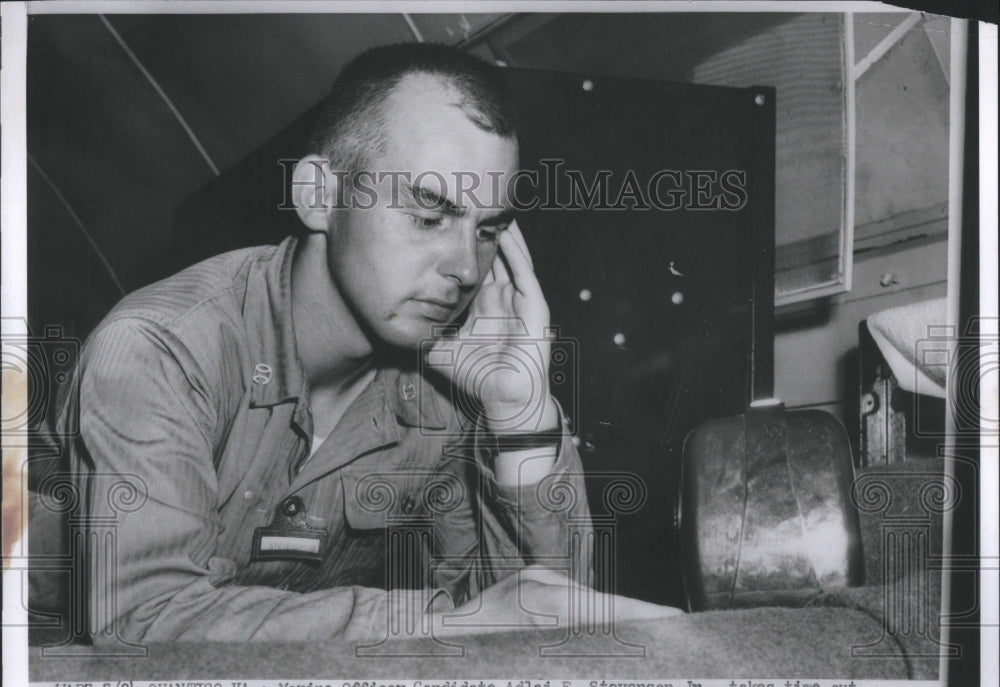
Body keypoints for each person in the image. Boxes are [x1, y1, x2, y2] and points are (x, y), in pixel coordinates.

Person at [31, 43, 679, 644]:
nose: (463, 267)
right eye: (429, 214)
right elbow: (142, 622)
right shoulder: (158, 346)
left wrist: (520, 415)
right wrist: (442, 626)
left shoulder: (441, 390)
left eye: (488, 231)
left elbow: (535, 614)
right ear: (318, 194)